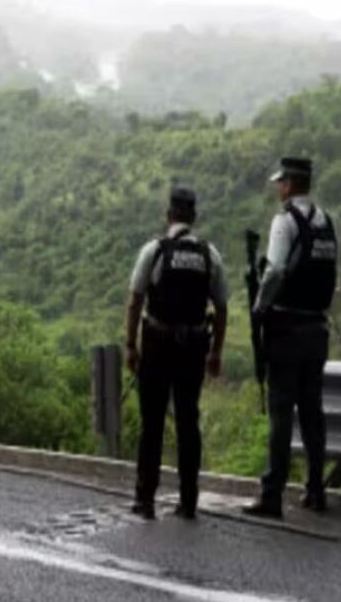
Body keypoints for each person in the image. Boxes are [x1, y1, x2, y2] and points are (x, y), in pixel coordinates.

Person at [125, 186, 228, 520]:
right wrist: (216, 353)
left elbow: (135, 300)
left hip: (157, 344)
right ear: (193, 218)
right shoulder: (209, 255)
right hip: (193, 348)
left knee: (151, 423)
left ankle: (145, 499)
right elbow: (222, 307)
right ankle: (188, 502)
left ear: (168, 216)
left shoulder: (154, 251)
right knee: (188, 422)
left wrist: (130, 345)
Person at [244, 157, 338, 519]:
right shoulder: (326, 222)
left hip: (286, 331)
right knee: (313, 412)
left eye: (280, 182)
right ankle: (316, 490)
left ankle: (272, 495)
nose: (278, 188)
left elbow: (276, 272)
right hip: (317, 330)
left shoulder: (285, 223)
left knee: (281, 414)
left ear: (289, 184)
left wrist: (258, 308)